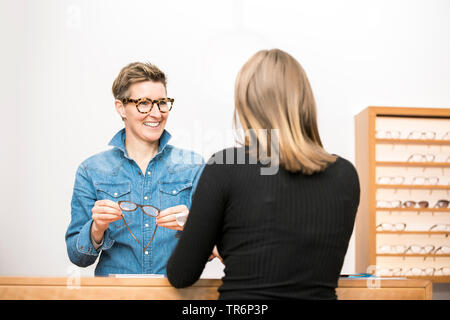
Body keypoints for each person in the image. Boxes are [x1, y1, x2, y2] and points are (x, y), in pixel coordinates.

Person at [166, 49, 360, 299]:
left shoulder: (226, 166)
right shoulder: (345, 175)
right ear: (304, 102)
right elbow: (295, 256)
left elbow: (181, 275)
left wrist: (207, 235)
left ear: (248, 105)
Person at [65, 62, 204, 276]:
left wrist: (193, 227)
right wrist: (97, 228)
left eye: (162, 103)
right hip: (115, 297)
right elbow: (78, 258)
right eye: (144, 103)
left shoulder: (193, 166)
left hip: (176, 294)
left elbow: (216, 249)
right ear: (120, 107)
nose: (156, 113)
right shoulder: (90, 171)